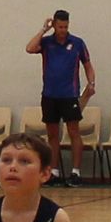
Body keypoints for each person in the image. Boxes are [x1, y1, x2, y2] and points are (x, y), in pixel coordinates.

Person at [25, 12, 96, 185]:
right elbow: (29, 48)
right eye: (60, 26)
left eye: (66, 26)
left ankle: (76, 172)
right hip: (49, 95)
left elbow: (87, 65)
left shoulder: (77, 43)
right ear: (54, 25)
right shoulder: (46, 43)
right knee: (52, 134)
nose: (63, 30)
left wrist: (91, 82)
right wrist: (43, 29)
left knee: (73, 132)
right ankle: (54, 171)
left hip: (69, 95)